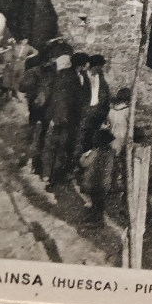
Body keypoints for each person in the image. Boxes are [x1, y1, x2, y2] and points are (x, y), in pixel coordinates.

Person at [83, 87, 130, 222]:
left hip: (111, 138)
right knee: (117, 163)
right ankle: (113, 185)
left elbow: (108, 124)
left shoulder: (112, 110)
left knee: (108, 162)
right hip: (122, 139)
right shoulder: (127, 111)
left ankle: (111, 184)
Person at [41, 53, 81, 190]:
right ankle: (51, 177)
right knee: (58, 148)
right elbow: (60, 99)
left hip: (61, 118)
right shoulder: (71, 78)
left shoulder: (63, 76)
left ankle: (48, 175)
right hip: (63, 119)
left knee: (52, 147)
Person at [76, 54, 111, 161]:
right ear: (95, 66)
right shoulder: (81, 76)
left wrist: (104, 113)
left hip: (96, 112)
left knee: (90, 138)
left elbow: (106, 96)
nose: (102, 69)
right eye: (101, 66)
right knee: (79, 137)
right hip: (84, 112)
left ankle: (85, 164)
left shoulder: (101, 78)